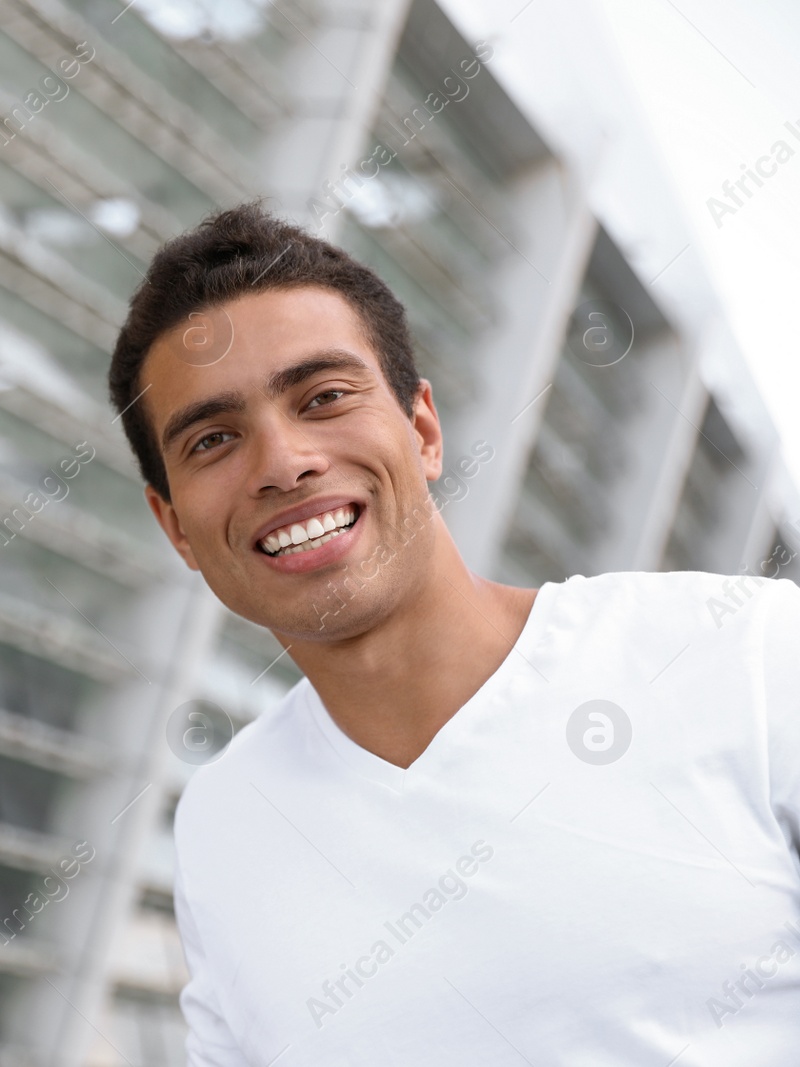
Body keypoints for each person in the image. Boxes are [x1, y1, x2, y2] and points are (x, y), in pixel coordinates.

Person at [107, 202, 800, 1065]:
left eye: (324, 397)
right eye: (214, 439)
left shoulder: (747, 656)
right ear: (174, 528)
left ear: (424, 429)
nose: (284, 463)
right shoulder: (221, 826)